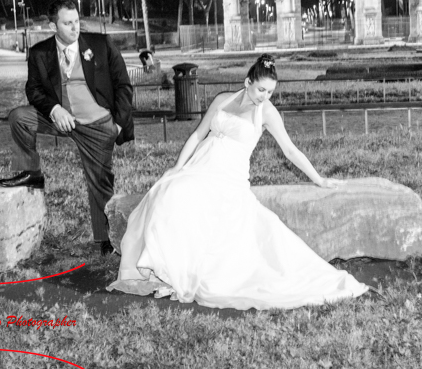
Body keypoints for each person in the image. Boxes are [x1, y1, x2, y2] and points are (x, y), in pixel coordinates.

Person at [107, 54, 369, 310]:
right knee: (171, 192)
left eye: (270, 92)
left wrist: (319, 179)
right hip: (200, 167)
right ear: (248, 82)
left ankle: (180, 273)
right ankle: (164, 268)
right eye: (261, 90)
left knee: (197, 205)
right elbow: (198, 135)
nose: (264, 96)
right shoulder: (223, 99)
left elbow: (290, 150)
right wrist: (177, 167)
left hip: (229, 178)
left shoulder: (266, 112)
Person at [0, 0, 134, 256]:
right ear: (53, 25)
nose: (75, 27)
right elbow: (33, 89)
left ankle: (107, 241)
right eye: (67, 23)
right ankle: (30, 171)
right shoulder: (40, 53)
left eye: (77, 21)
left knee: (99, 183)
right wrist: (53, 108)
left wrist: (116, 125)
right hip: (59, 119)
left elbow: (124, 86)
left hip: (97, 124)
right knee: (18, 117)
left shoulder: (101, 45)